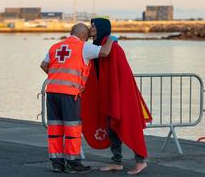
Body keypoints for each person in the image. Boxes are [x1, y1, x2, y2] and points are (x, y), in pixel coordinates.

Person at [40, 23, 116, 173]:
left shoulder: (55, 46)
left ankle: (57, 163)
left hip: (52, 92)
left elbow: (43, 65)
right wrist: (112, 39)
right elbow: (105, 52)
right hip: (69, 93)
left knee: (55, 129)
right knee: (72, 129)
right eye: (87, 37)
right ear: (84, 37)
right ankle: (74, 163)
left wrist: (57, 76)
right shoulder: (83, 47)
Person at [81, 18, 151, 175]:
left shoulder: (114, 48)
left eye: (93, 26)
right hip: (107, 95)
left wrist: (118, 96)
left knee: (129, 125)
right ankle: (116, 161)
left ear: (101, 28)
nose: (90, 28)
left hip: (121, 94)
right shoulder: (98, 46)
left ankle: (141, 161)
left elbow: (122, 75)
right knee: (110, 127)